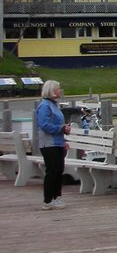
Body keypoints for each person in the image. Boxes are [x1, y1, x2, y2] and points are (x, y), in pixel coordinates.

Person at [36, 80, 72, 210]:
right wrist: (61, 128)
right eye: (57, 89)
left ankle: (57, 197)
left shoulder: (54, 105)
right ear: (51, 90)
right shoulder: (44, 106)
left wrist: (63, 139)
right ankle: (48, 199)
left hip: (57, 143)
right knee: (52, 170)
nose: (59, 91)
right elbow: (44, 125)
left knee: (59, 170)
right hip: (48, 144)